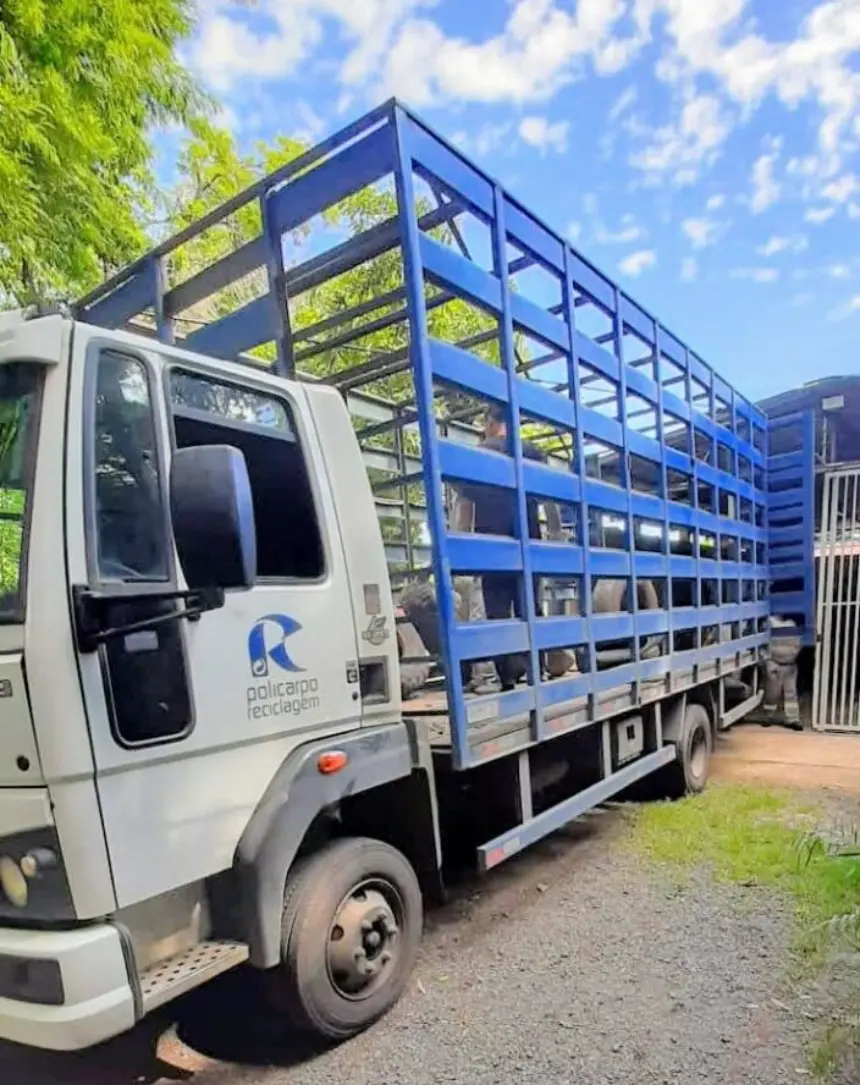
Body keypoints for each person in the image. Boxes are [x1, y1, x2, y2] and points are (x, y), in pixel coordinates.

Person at [453, 405, 560, 690]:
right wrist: (556, 538)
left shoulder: (476, 455)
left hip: (492, 551)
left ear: (489, 423)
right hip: (529, 549)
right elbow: (551, 502)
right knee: (531, 609)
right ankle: (537, 672)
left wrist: (460, 547)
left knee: (498, 614)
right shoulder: (532, 452)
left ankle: (507, 680)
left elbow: (464, 508)